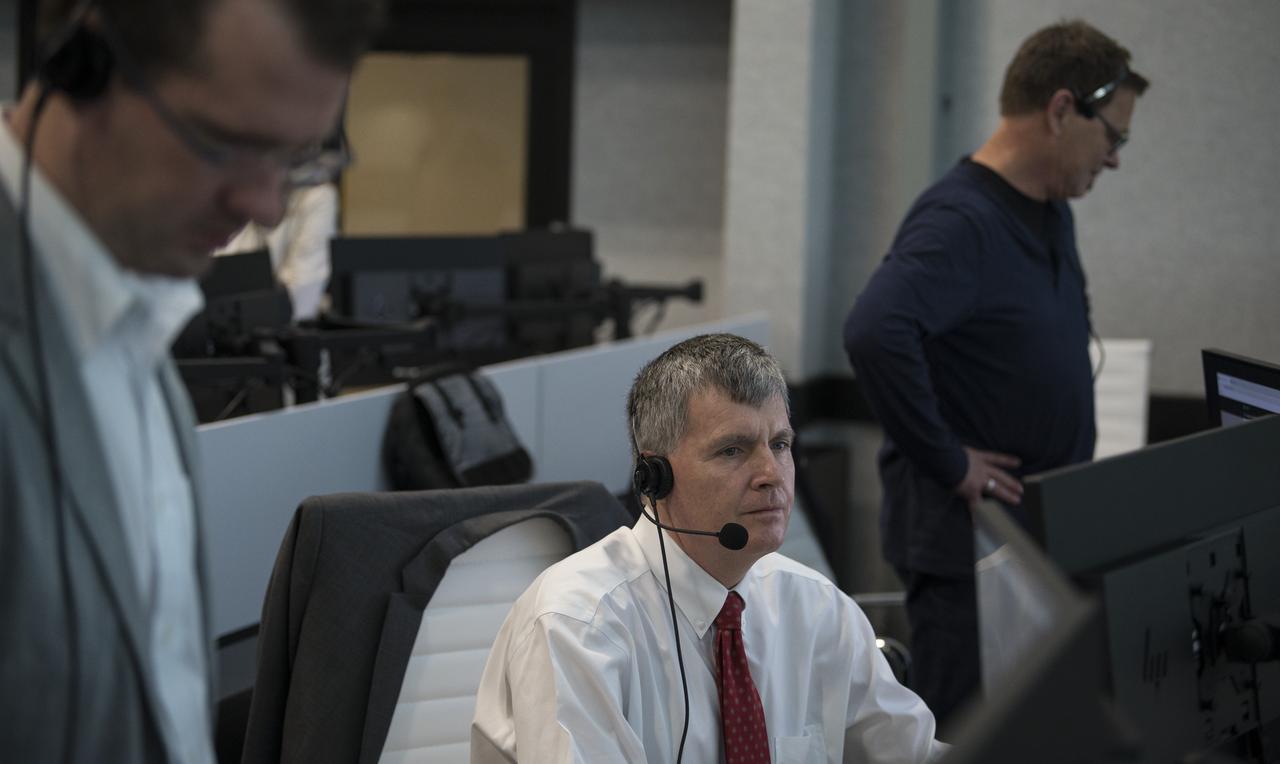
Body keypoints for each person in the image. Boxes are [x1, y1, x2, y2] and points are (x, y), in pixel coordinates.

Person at [0, 0, 382, 760]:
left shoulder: (145, 317)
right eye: (226, 145)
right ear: (88, 66)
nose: (264, 206)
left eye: (294, 161)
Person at [843, 20, 1149, 725]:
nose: (1116, 159)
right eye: (1115, 136)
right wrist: (948, 459)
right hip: (970, 553)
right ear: (1062, 109)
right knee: (972, 735)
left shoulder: (1047, 209)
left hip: (1031, 541)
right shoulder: (961, 220)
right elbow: (873, 330)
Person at [472, 333, 946, 763]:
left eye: (780, 444)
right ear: (653, 476)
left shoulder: (816, 607)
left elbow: (913, 751)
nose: (771, 474)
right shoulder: (578, 624)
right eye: (733, 450)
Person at [214, 181, 339, 320]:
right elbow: (220, 276)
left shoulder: (317, 196)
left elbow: (302, 296)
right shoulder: (233, 193)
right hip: (228, 323)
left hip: (284, 327)